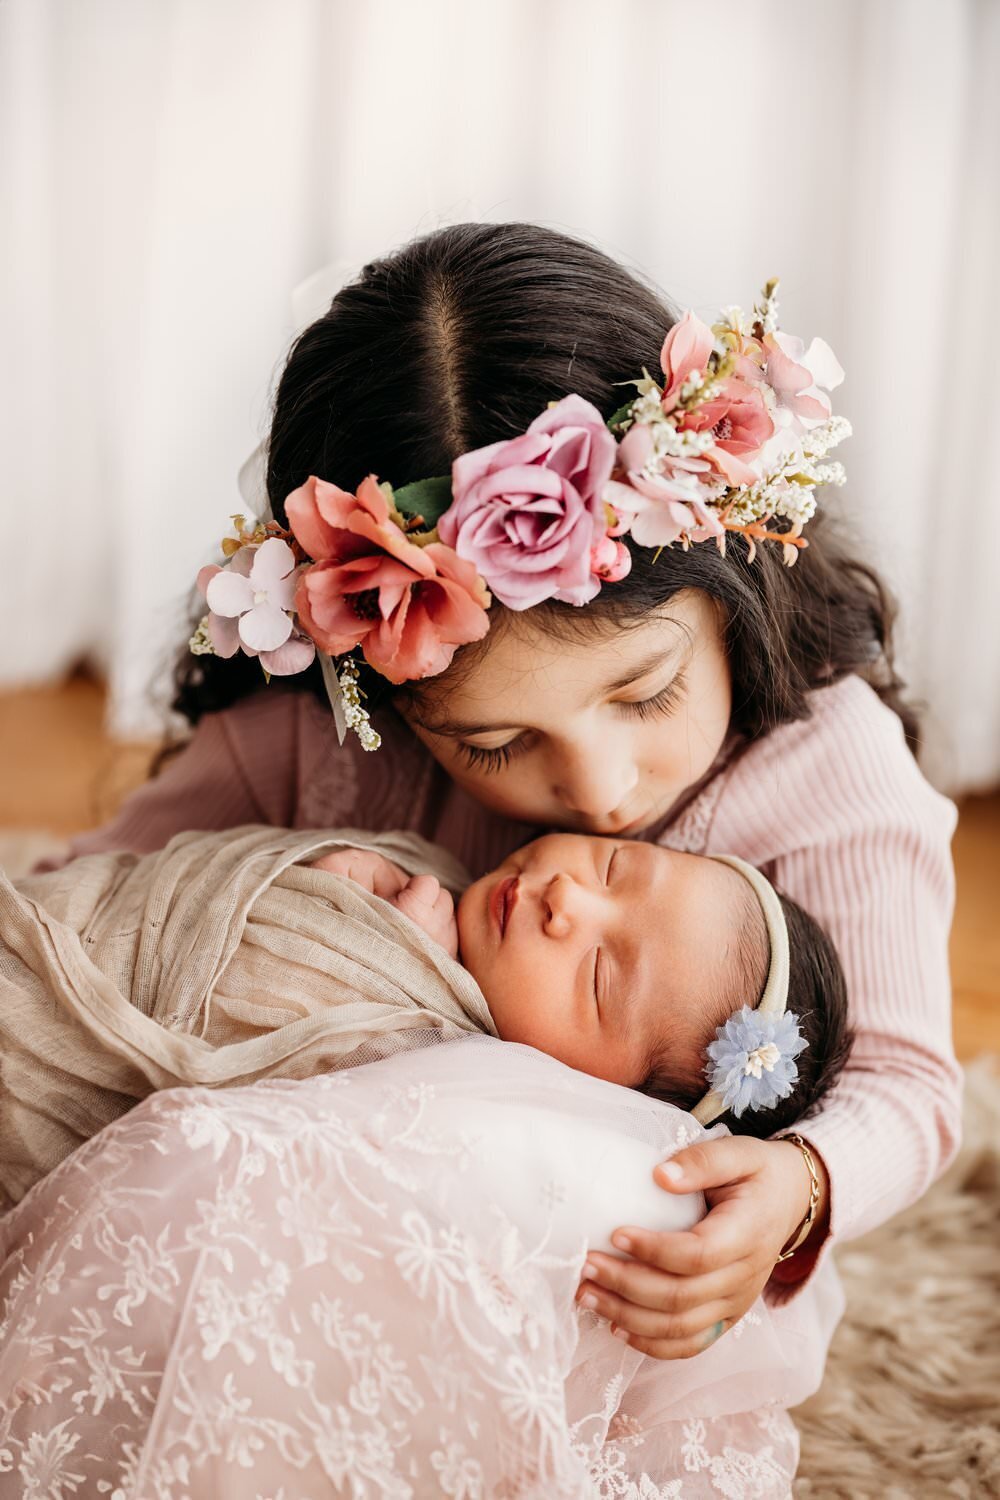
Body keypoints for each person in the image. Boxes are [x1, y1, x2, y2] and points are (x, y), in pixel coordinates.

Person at [19, 222, 959, 1480]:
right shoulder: (317, 742)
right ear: (377, 682)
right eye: (499, 741)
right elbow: (86, 918)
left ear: (732, 568)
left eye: (643, 694)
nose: (599, 790)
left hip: (542, 1259)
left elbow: (906, 1081)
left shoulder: (822, 765)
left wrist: (797, 1184)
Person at [0, 821, 852, 1206]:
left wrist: (350, 941)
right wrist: (323, 877)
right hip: (64, 922)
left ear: (607, 1098)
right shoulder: (435, 869)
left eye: (597, 976)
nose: (567, 902)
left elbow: (249, 1139)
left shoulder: (447, 1086)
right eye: (614, 865)